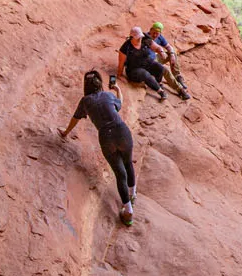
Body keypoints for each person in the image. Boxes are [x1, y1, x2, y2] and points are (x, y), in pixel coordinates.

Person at [61, 70, 137, 225]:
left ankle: (128, 210)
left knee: (119, 172)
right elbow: (119, 104)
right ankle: (133, 194)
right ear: (100, 83)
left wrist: (65, 133)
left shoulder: (85, 101)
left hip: (106, 136)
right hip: (121, 130)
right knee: (128, 163)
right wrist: (118, 90)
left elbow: (75, 119)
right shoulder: (109, 95)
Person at [118, 26, 169, 101]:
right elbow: (121, 62)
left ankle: (157, 83)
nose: (139, 39)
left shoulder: (145, 39)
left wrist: (161, 51)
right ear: (131, 37)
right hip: (134, 69)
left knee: (160, 68)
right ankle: (160, 91)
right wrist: (120, 75)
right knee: (144, 74)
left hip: (147, 63)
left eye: (140, 37)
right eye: (137, 37)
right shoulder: (126, 47)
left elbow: (157, 47)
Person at [144, 21, 190, 100]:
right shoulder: (145, 38)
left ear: (160, 33)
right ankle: (180, 90)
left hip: (156, 57)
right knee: (165, 70)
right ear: (150, 30)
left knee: (173, 54)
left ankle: (177, 76)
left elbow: (169, 47)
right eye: (153, 32)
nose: (155, 35)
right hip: (149, 61)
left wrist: (171, 54)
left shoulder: (160, 37)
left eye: (157, 33)